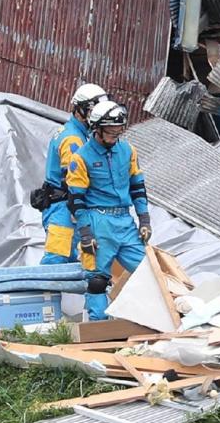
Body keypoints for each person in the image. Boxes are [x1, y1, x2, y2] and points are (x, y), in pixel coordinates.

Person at [65, 100, 150, 321]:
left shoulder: (128, 151)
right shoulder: (81, 158)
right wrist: (85, 233)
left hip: (125, 220)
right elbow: (76, 199)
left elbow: (137, 186)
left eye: (118, 132)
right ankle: (99, 330)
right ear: (97, 129)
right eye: (110, 133)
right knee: (97, 280)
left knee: (148, 271)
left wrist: (144, 219)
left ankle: (151, 320)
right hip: (98, 222)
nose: (115, 137)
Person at [34, 83, 109, 265]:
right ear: (80, 110)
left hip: (65, 207)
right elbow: (73, 180)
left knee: (66, 261)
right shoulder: (73, 138)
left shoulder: (77, 133)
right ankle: (41, 293)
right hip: (63, 209)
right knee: (56, 261)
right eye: (93, 111)